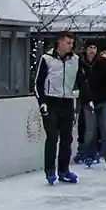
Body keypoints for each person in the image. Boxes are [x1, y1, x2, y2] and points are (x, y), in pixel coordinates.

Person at [35, 32, 82, 186]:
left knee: (67, 138)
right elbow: (38, 83)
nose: (71, 45)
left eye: (72, 43)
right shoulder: (47, 59)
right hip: (51, 101)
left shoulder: (75, 60)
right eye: (68, 42)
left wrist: (81, 96)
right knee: (52, 137)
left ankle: (64, 170)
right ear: (60, 43)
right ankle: (50, 170)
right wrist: (42, 103)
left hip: (67, 101)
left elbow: (81, 80)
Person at [77, 42, 106, 168]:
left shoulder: (102, 64)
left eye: (95, 48)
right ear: (85, 49)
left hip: (103, 100)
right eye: (90, 48)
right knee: (90, 130)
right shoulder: (79, 63)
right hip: (89, 102)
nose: (92, 50)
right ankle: (89, 154)